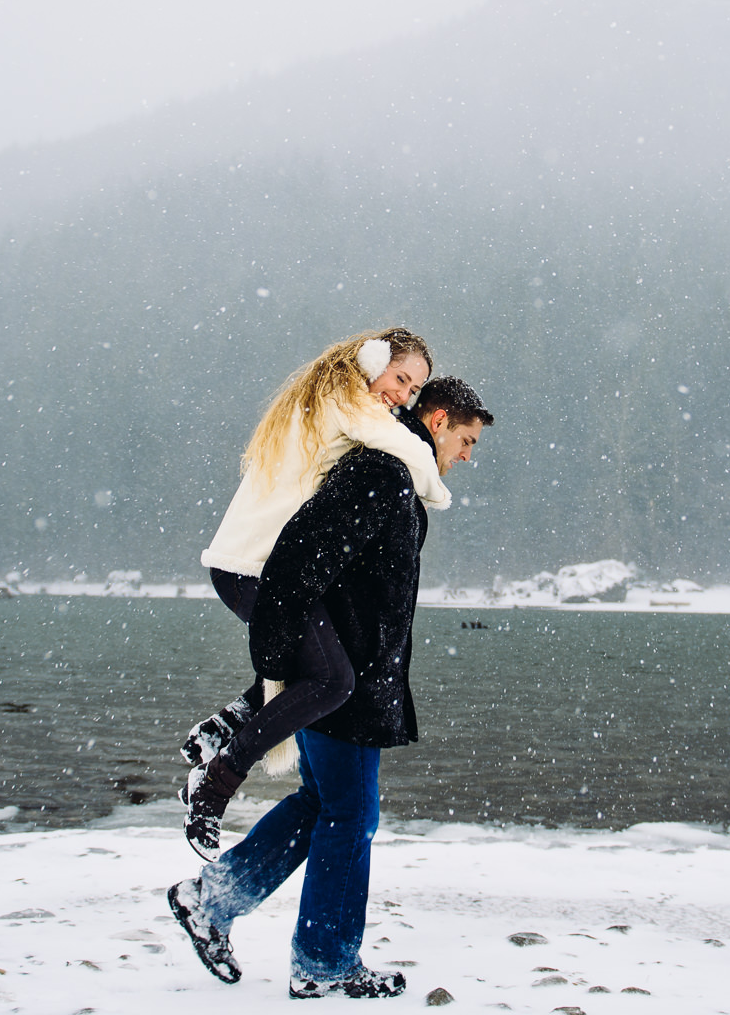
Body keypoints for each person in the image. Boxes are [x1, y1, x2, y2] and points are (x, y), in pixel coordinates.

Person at [168, 376, 495, 1000]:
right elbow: (300, 557)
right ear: (438, 418)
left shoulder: (395, 475)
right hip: (342, 683)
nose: (467, 456)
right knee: (351, 815)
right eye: (466, 439)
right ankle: (323, 961)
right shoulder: (381, 472)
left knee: (322, 804)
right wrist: (288, 661)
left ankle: (210, 901)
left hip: (348, 678)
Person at [180, 329, 452, 860]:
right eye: (400, 378)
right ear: (372, 360)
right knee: (331, 680)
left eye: (414, 390)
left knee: (321, 662)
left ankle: (224, 726)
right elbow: (413, 457)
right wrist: (436, 491)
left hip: (253, 565)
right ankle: (214, 786)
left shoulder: (328, 397)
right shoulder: (347, 400)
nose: (403, 395)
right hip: (252, 569)